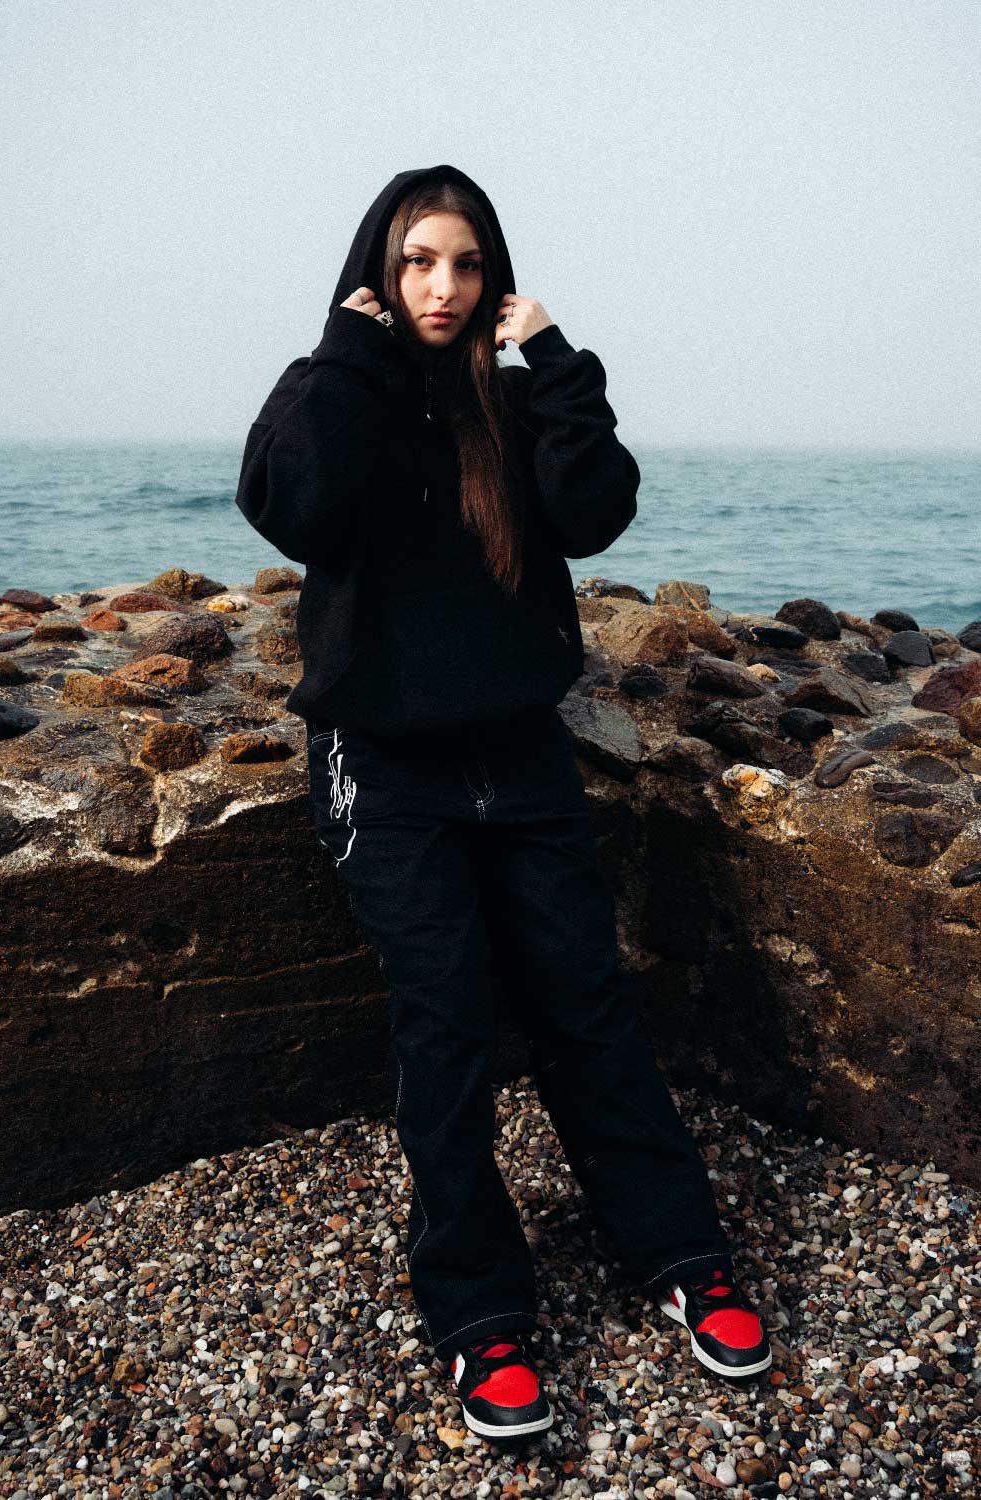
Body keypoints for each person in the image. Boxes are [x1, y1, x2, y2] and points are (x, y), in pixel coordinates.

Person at [235, 164, 771, 1441]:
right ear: (379, 271)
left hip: (519, 758)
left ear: (494, 278)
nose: (445, 287)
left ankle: (680, 1255)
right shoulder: (329, 390)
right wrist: (348, 356)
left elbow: (596, 515)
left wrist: (561, 361)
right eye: (419, 261)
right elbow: (290, 508)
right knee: (447, 1028)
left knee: (586, 1004)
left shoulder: (516, 405)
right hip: (385, 765)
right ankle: (479, 1314)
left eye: (467, 264)